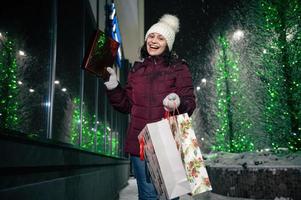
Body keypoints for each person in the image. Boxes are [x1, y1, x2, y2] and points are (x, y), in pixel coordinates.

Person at [104, 14, 196, 200]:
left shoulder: (179, 67)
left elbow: (189, 101)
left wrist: (177, 101)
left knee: (168, 195)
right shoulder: (137, 69)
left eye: (160, 38)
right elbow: (126, 105)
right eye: (151, 36)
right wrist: (113, 86)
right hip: (140, 144)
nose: (154, 41)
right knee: (147, 196)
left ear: (168, 43)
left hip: (167, 143)